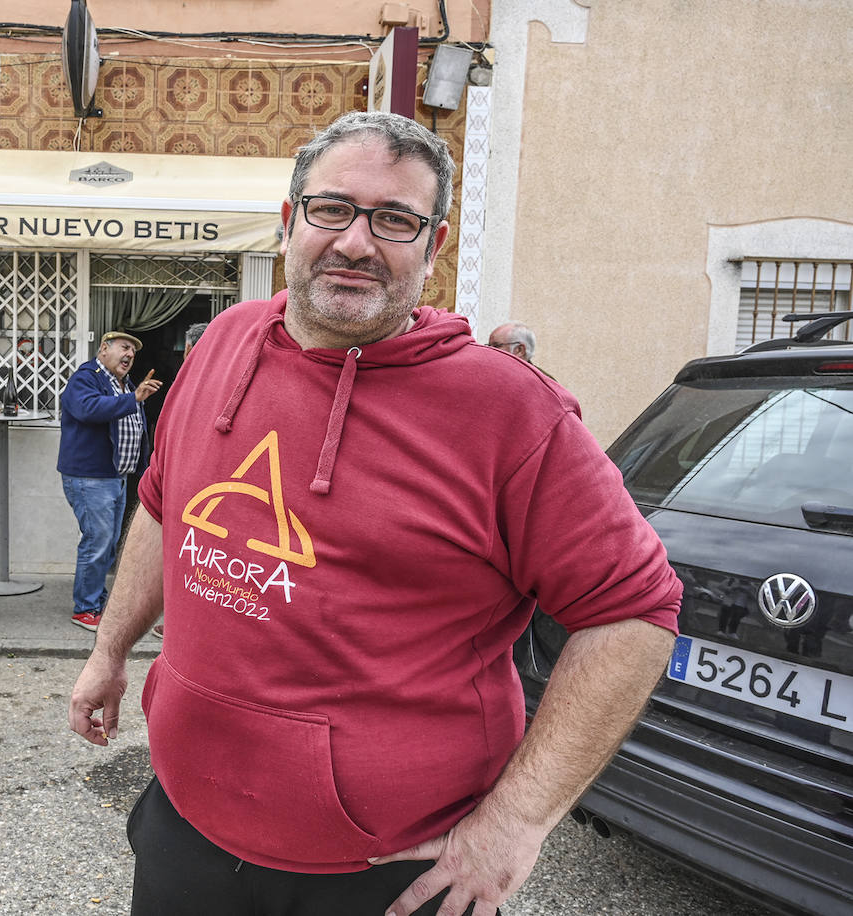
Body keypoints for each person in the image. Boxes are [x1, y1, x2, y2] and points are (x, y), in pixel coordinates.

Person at [68, 111, 682, 916]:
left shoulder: (506, 412)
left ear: (433, 245)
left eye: (395, 220)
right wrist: (109, 651)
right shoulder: (223, 340)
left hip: (385, 874)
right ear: (290, 222)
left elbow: (634, 611)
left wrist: (517, 822)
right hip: (187, 828)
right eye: (334, 209)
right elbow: (161, 504)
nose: (357, 242)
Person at [57, 331, 163, 633]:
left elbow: (136, 429)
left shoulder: (125, 384)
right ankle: (85, 608)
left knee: (107, 542)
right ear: (104, 348)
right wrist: (134, 398)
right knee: (97, 542)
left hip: (115, 477)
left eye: (133, 351)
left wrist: (143, 471)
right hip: (90, 476)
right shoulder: (86, 378)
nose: (129, 355)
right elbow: (87, 409)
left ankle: (96, 599)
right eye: (124, 347)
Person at [150, 320, 211, 640]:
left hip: (191, 485)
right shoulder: (225, 375)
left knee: (185, 555)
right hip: (206, 487)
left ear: (187, 348)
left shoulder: (192, 381)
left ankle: (179, 622)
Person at [488, 321, 555, 378]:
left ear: (519, 350)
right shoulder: (491, 372)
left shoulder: (543, 383)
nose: (489, 350)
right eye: (488, 346)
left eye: (496, 346)